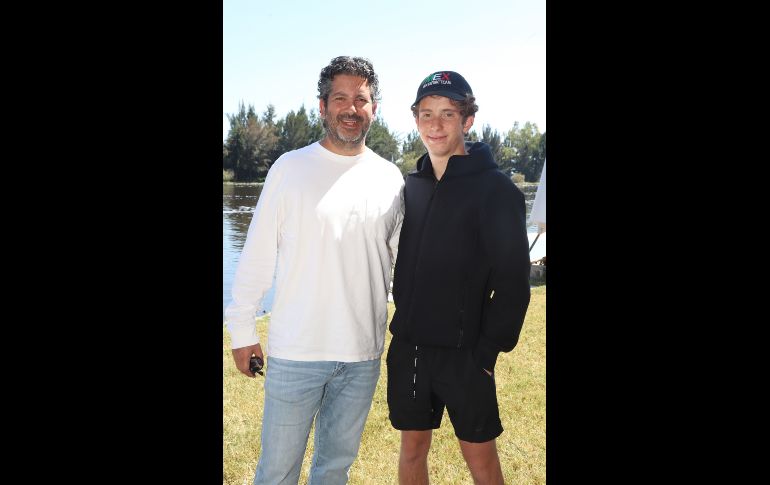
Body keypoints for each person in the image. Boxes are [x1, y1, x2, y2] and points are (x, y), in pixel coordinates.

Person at [224, 56, 404, 485]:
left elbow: (402, 264)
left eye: (360, 99)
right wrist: (242, 331)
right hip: (295, 353)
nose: (350, 108)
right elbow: (258, 255)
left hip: (362, 353)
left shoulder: (391, 178)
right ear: (322, 106)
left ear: (373, 109)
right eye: (339, 98)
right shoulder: (289, 168)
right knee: (276, 472)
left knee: (334, 470)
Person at [387, 70, 531, 485]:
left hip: (465, 354)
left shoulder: (496, 190)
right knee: (412, 450)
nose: (435, 125)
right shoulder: (411, 186)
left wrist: (487, 353)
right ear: (415, 119)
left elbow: (513, 283)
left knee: (480, 458)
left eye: (448, 114)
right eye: (426, 114)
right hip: (410, 347)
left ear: (467, 121)